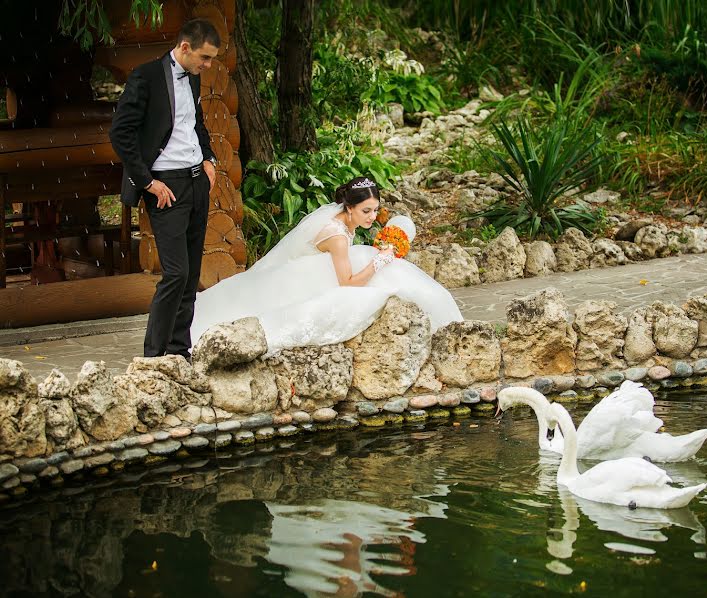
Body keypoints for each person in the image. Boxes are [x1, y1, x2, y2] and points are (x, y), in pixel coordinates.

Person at [190, 176, 463, 353]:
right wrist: (380, 261)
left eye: (375, 210)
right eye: (365, 211)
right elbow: (347, 283)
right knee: (375, 268)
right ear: (349, 208)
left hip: (308, 272)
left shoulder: (341, 220)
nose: (372, 217)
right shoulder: (336, 236)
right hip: (299, 284)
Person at [109, 19, 221, 361]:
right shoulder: (145, 77)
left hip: (196, 181)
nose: (208, 65)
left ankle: (179, 350)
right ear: (185, 47)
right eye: (204, 57)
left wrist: (209, 158)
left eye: (212, 59)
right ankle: (153, 357)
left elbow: (194, 123)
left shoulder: (195, 76)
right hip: (165, 186)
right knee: (176, 272)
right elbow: (121, 133)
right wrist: (147, 181)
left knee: (190, 274)